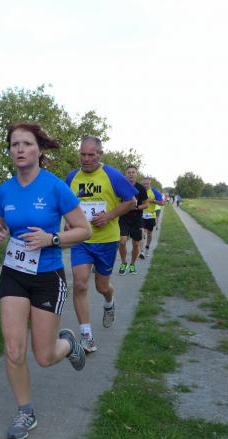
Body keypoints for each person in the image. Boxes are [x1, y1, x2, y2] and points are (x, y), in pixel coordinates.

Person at [0, 122, 92, 439]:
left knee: (44, 357)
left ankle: (69, 344)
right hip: (14, 274)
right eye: (14, 145)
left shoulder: (55, 187)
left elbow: (84, 230)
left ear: (39, 150)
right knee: (13, 348)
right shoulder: (4, 191)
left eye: (27, 144)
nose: (20, 149)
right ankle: (26, 411)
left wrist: (52, 239)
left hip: (47, 276)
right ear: (10, 151)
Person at [65, 136, 137, 352]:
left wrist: (109, 216)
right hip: (81, 240)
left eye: (91, 155)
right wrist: (69, 222)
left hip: (106, 240)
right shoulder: (72, 177)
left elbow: (131, 202)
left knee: (101, 287)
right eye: (82, 154)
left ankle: (109, 301)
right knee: (80, 284)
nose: (86, 159)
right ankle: (86, 337)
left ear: (100, 154)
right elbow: (66, 204)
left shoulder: (112, 175)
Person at [117, 165, 149, 275]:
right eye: (129, 172)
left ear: (136, 174)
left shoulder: (141, 188)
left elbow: (146, 204)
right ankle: (123, 263)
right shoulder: (121, 187)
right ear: (125, 174)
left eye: (133, 172)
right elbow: (116, 202)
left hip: (137, 219)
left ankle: (132, 264)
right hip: (123, 218)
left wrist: (136, 207)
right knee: (122, 242)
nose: (131, 174)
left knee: (136, 244)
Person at [139, 176, 164, 259]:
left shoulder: (154, 191)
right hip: (141, 215)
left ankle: (147, 247)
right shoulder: (139, 190)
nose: (145, 185)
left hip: (151, 216)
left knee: (149, 234)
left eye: (147, 184)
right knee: (141, 232)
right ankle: (142, 251)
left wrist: (152, 201)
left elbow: (162, 203)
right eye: (143, 184)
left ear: (150, 183)